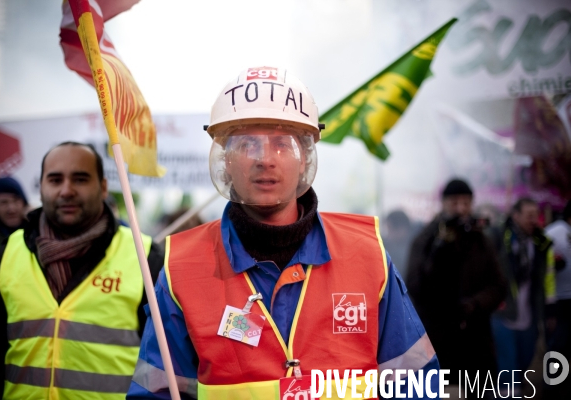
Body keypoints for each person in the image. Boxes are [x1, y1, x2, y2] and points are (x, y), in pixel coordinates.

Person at [128, 67, 439, 399]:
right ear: (226, 161)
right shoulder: (181, 268)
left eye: (282, 143)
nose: (265, 159)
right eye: (247, 144)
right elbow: (156, 392)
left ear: (305, 157)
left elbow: (416, 383)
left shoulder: (367, 254)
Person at [0, 142, 164, 399]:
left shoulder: (143, 256)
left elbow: (164, 365)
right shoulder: (10, 251)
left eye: (80, 179)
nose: (66, 190)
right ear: (40, 187)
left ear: (103, 186)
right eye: (54, 180)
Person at [406, 179, 506, 394]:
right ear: (443, 204)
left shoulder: (481, 241)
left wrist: (473, 305)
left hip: (476, 338)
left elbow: (498, 286)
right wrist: (440, 249)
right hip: (438, 337)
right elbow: (414, 284)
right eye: (454, 203)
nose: (460, 209)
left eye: (465, 203)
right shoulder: (425, 239)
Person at [491, 197, 556, 397]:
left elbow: (545, 279)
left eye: (535, 215)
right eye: (528, 216)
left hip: (529, 315)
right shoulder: (501, 237)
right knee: (507, 364)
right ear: (515, 216)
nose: (533, 220)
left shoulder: (540, 242)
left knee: (525, 360)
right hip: (504, 313)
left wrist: (548, 311)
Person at [544, 200, 571, 399]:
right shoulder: (553, 232)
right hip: (558, 300)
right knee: (557, 344)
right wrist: (553, 261)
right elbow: (541, 263)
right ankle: (552, 385)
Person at [0, 176, 29, 244]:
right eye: (4, 202)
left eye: (16, 201)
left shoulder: (40, 230)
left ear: (24, 203)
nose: (11, 209)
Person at [382, 209, 415, 277]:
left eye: (390, 229)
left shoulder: (413, 249)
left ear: (402, 229)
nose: (388, 235)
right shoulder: (390, 246)